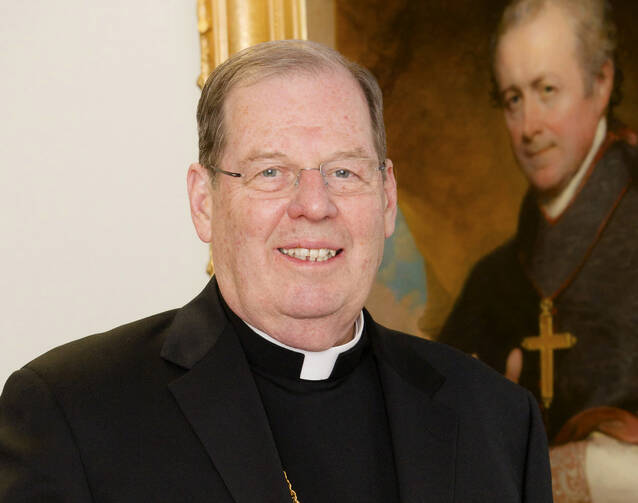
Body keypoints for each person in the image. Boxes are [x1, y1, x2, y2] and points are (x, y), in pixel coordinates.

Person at [0, 40, 551, 502]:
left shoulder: (498, 421)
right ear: (203, 202)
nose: (314, 204)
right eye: (270, 171)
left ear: (386, 198)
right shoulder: (71, 412)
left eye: (343, 170)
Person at [439, 0, 638, 500]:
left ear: (602, 83)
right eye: (513, 99)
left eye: (547, 91)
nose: (528, 127)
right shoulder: (493, 280)